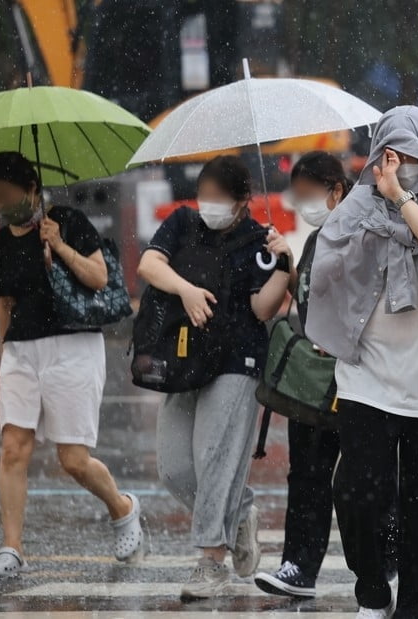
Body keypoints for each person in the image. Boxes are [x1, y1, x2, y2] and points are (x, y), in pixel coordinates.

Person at [306, 106, 418, 619]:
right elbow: (328, 274)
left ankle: (414, 607)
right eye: (391, 152)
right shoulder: (357, 205)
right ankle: (372, 588)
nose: (400, 162)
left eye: (410, 152)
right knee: (356, 490)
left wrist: (401, 200)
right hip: (369, 372)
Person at [137, 155, 293, 600]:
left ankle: (210, 561)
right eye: (205, 195)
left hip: (237, 359)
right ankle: (241, 512)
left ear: (243, 201)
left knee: (213, 458)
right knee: (174, 468)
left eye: (219, 199)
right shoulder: (183, 222)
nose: (209, 205)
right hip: (184, 357)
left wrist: (284, 265)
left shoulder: (257, 240)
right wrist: (184, 289)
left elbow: (263, 309)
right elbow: (150, 265)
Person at [0, 151, 142, 574]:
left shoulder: (68, 221)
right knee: (13, 449)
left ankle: (122, 508)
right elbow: (4, 302)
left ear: (31, 188)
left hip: (72, 347)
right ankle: (11, 548)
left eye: (6, 194)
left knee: (72, 459)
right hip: (20, 351)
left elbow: (99, 277)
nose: (0, 204)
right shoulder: (3, 240)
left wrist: (59, 245)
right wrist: (5, 355)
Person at [254, 151, 397, 598]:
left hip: (361, 375)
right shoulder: (317, 238)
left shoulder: (365, 233)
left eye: (309, 195)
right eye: (296, 197)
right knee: (307, 472)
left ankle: (387, 561)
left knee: (363, 477)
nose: (303, 204)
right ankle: (299, 566)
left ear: (337, 189)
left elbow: (371, 300)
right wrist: (288, 262)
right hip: (316, 378)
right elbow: (309, 295)